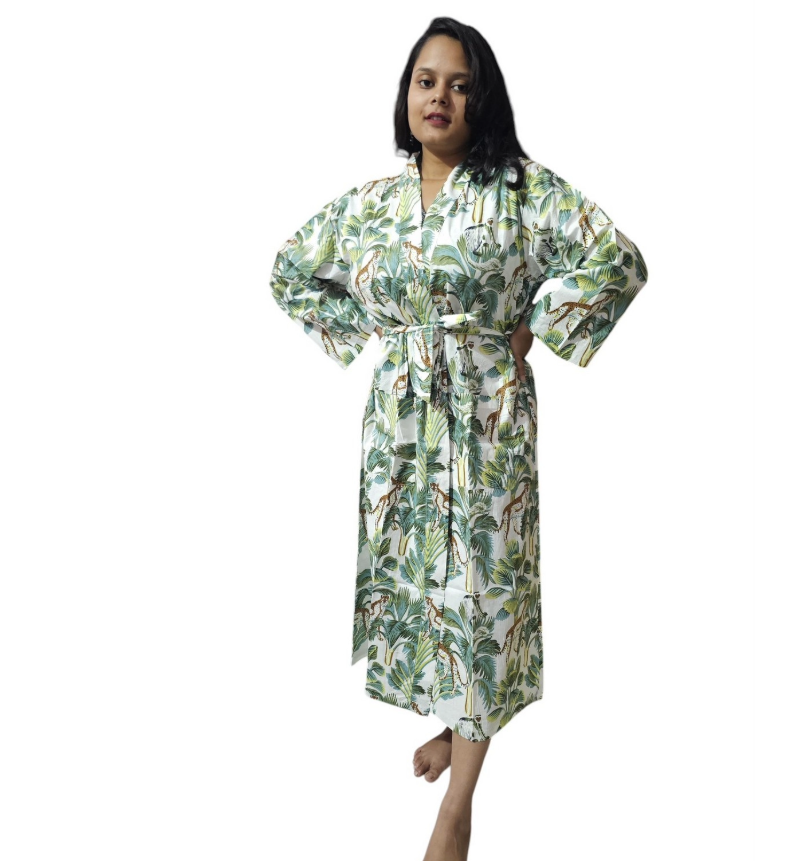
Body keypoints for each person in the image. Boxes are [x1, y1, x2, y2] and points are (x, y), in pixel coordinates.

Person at [269, 16, 648, 861]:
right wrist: (373, 333)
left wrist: (534, 325)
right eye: (425, 81)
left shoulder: (520, 188)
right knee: (426, 582)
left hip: (485, 411)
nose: (438, 96)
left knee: (482, 590)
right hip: (402, 423)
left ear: (484, 100)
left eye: (459, 84)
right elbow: (288, 269)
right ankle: (454, 724)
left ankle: (459, 803)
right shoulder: (371, 204)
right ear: (405, 95)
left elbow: (616, 259)